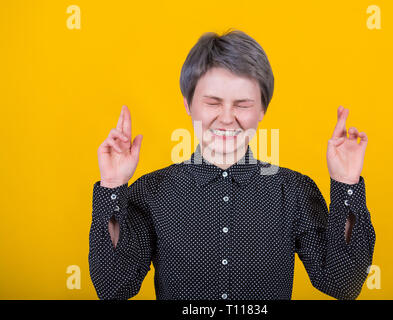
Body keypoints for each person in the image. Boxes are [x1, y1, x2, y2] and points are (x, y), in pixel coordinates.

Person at [89, 29, 375, 300]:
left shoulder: (295, 190)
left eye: (242, 104)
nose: (227, 118)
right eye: (213, 103)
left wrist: (345, 183)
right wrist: (112, 186)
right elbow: (113, 287)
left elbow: (343, 284)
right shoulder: (151, 192)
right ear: (188, 104)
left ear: (263, 109)